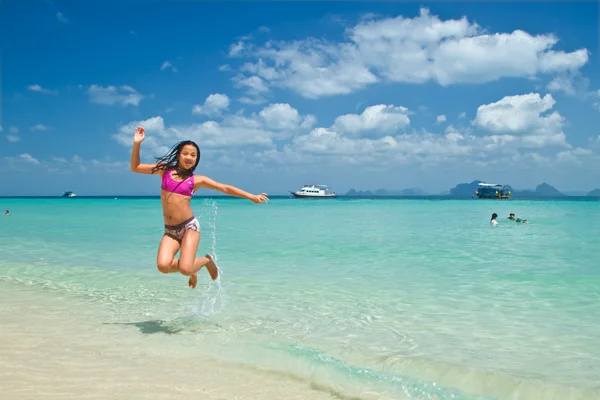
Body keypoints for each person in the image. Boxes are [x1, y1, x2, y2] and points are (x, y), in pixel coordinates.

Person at [130, 126, 269, 289]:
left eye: (193, 155)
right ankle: (193, 267)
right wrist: (137, 143)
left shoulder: (196, 180)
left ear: (197, 159)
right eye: (185, 153)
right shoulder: (164, 170)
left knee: (185, 269)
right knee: (162, 266)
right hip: (170, 230)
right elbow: (135, 167)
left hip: (189, 227)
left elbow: (224, 188)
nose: (189, 157)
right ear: (178, 155)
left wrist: (251, 196)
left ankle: (206, 261)